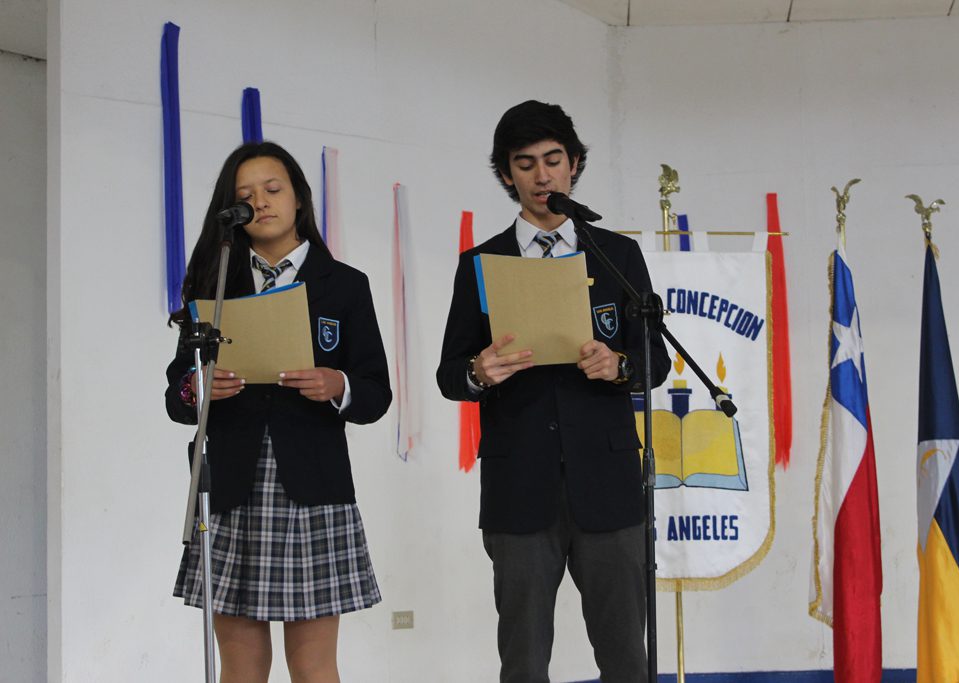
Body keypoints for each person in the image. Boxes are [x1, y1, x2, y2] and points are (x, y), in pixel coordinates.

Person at [436, 100, 671, 683]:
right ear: (506, 174)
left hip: (608, 484)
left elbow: (655, 359)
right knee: (523, 659)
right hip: (519, 487)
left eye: (553, 160)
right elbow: (449, 373)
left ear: (574, 165)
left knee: (626, 657)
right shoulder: (481, 262)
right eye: (525, 164)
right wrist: (479, 371)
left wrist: (618, 365)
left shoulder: (616, 255)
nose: (542, 176)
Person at [165, 141, 391, 683]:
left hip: (315, 484)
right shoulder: (214, 282)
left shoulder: (344, 285)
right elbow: (176, 395)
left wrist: (338, 384)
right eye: (246, 196)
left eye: (273, 189)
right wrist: (199, 386)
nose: (261, 202)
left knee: (313, 666)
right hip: (231, 484)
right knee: (241, 666)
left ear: (299, 198)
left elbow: (376, 393)